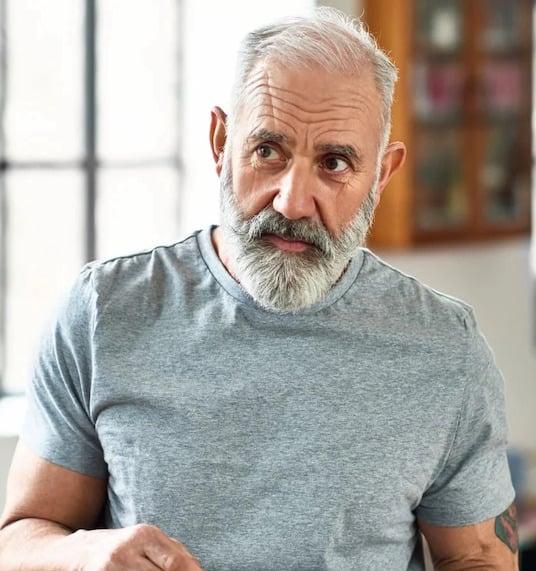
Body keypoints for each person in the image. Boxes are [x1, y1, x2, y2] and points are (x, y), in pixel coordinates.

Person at [0, 7, 518, 571]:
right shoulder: (102, 312)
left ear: (383, 174)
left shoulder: (447, 347)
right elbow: (19, 539)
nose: (292, 202)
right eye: (268, 150)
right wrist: (82, 556)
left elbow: (478, 557)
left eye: (335, 162)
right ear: (221, 140)